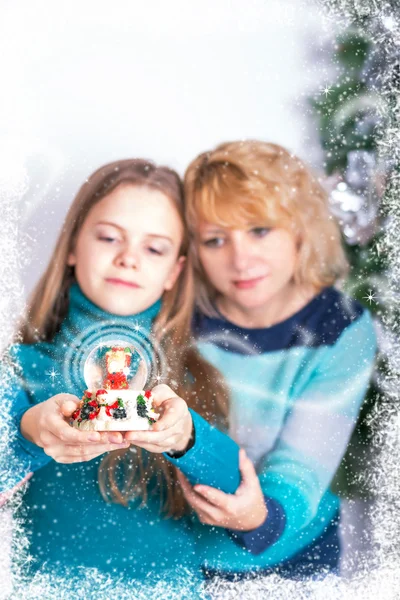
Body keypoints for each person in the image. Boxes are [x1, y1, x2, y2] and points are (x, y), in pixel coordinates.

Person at [2, 158, 243, 585]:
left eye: (154, 248)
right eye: (110, 237)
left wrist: (187, 438)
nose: (129, 258)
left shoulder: (194, 382)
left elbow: (236, 493)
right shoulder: (20, 369)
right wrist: (29, 433)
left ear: (175, 271)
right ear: (73, 245)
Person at [179, 140, 378, 580]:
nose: (240, 258)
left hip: (291, 553)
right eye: (215, 240)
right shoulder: (179, 318)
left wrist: (257, 517)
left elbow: (304, 463)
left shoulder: (341, 327)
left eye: (260, 230)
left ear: (299, 229)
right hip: (182, 557)